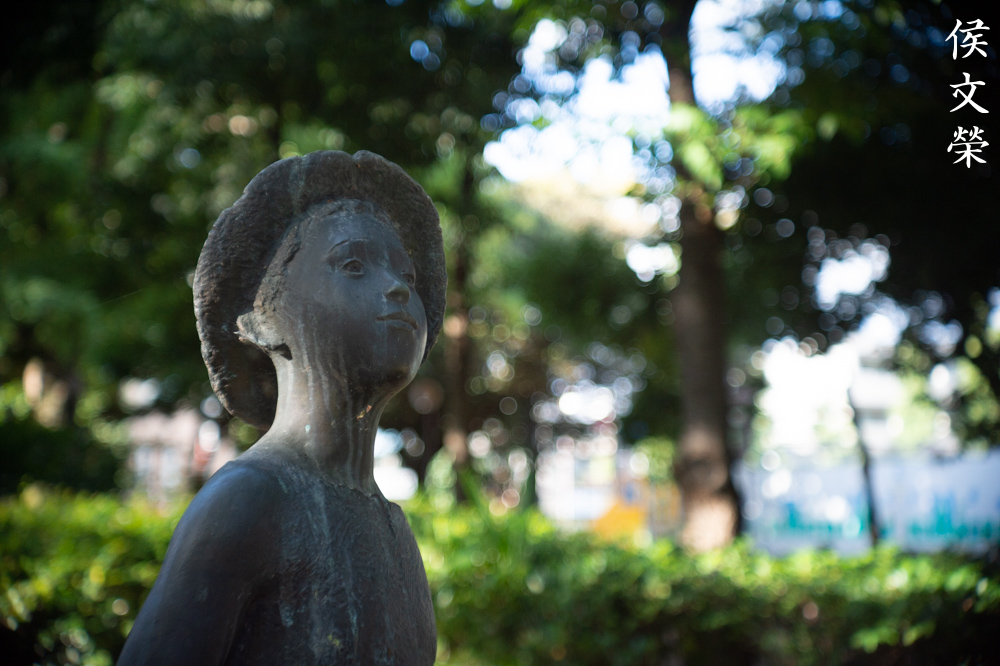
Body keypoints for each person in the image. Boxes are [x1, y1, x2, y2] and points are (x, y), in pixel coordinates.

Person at [118, 151, 445, 665]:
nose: (400, 287)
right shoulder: (248, 500)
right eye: (353, 265)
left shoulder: (393, 528)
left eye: (406, 272)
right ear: (263, 321)